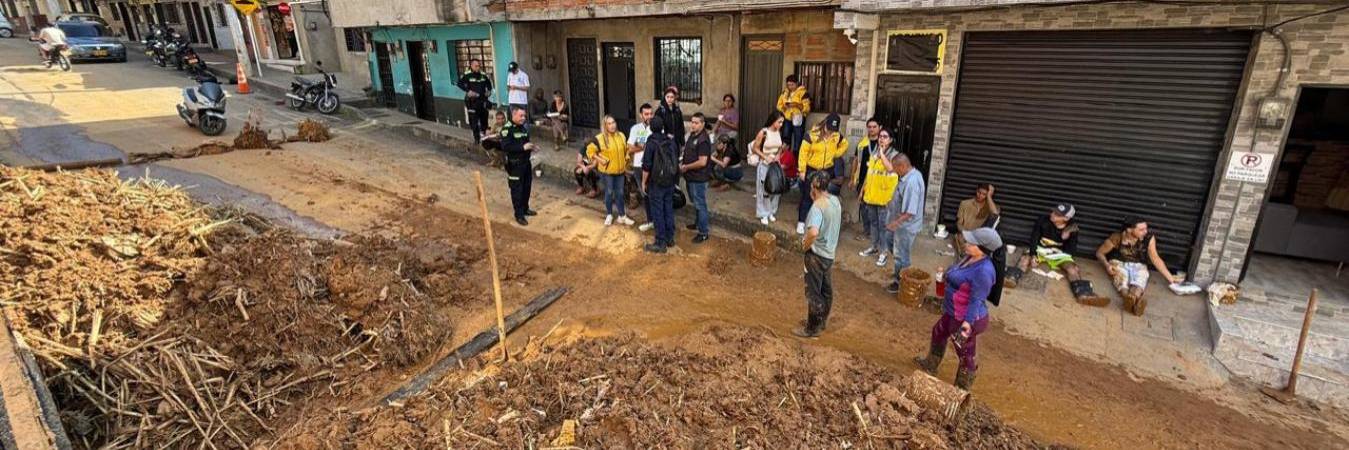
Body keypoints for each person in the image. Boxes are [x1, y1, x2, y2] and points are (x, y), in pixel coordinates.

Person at [915, 227, 1002, 390]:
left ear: (982, 249)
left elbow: (976, 300)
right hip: (953, 311)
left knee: (965, 351)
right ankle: (931, 364)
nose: (966, 243)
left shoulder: (984, 271)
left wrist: (967, 325)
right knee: (938, 332)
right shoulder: (969, 258)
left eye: (971, 243)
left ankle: (962, 387)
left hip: (966, 318)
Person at [1004, 204, 1108, 305]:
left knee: (1072, 269)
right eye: (1054, 211)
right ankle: (1010, 278)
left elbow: (1071, 252)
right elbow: (1034, 238)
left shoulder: (1072, 228)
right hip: (1041, 250)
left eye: (1057, 214)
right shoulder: (1042, 220)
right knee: (1024, 258)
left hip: (1059, 254)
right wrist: (1033, 254)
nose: (1052, 214)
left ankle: (1084, 294)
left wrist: (1066, 237)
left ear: (1066, 218)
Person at [1095, 218, 1179, 315]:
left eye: (1146, 228)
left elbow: (1155, 258)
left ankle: (1134, 299)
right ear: (1129, 229)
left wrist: (1171, 279)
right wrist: (1107, 265)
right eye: (1141, 230)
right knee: (1121, 279)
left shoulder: (1148, 238)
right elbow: (1099, 253)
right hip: (1118, 262)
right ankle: (1129, 300)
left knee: (1141, 278)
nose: (1145, 232)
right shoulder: (1117, 237)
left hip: (1139, 264)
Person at [795, 171, 842, 338]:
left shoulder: (817, 207)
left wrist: (805, 245)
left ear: (814, 187)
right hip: (829, 254)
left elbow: (813, 232)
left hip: (816, 255)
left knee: (814, 292)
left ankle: (811, 328)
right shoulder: (835, 201)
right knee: (826, 290)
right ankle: (821, 322)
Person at [795, 113, 849, 234]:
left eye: (833, 130)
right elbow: (803, 153)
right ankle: (801, 222)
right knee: (808, 196)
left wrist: (835, 154)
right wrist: (802, 170)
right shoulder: (811, 135)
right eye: (829, 128)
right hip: (812, 169)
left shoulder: (837, 136)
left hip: (827, 170)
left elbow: (845, 144)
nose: (830, 132)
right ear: (825, 124)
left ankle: (817, 223)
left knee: (822, 197)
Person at [858, 128, 900, 268]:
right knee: (873, 224)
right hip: (871, 196)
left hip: (884, 199)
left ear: (891, 140)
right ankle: (874, 246)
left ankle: (883, 252)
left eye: (885, 137)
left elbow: (890, 169)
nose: (881, 139)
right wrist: (863, 191)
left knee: (883, 227)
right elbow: (870, 173)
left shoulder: (894, 155)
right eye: (880, 136)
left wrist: (882, 154)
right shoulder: (874, 152)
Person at [885, 154, 926, 293]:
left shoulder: (911, 182)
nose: (894, 171)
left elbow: (910, 212)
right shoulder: (910, 175)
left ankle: (901, 282)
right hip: (901, 224)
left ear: (902, 166)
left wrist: (895, 223)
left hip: (905, 226)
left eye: (896, 168)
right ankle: (900, 273)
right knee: (895, 247)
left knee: (901, 255)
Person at [641, 115, 680, 253]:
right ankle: (670, 238)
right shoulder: (671, 141)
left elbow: (646, 166)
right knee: (668, 209)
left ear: (651, 128)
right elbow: (676, 161)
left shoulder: (651, 143)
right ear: (662, 127)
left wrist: (643, 182)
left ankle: (660, 242)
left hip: (656, 183)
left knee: (657, 212)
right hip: (669, 181)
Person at [587, 115, 635, 227]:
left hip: (620, 171)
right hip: (607, 172)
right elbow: (590, 151)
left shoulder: (621, 135)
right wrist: (600, 160)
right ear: (605, 125)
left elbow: (626, 150)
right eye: (609, 123)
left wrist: (627, 161)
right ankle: (609, 214)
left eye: (613, 122)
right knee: (609, 192)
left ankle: (622, 216)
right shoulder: (599, 138)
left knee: (620, 193)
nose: (612, 125)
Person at [501, 107, 538, 226]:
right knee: (517, 190)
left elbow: (525, 142)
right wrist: (522, 148)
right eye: (521, 116)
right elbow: (506, 147)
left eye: (524, 116)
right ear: (514, 115)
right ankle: (519, 214)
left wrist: (532, 147)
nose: (523, 118)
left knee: (527, 187)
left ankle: (525, 208)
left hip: (525, 163)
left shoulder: (522, 128)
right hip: (514, 164)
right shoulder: (507, 129)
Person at [681, 113, 713, 243]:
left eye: (696, 123)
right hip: (690, 177)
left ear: (703, 124)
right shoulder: (692, 135)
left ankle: (703, 232)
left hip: (699, 178)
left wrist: (687, 167)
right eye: (692, 122)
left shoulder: (703, 140)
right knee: (696, 203)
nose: (693, 125)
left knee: (700, 204)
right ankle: (698, 223)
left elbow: (702, 162)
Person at [850, 118, 882, 241]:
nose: (872, 129)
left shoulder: (883, 144)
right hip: (862, 180)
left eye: (874, 126)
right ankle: (867, 231)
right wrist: (852, 177)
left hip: (877, 182)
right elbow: (855, 160)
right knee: (864, 208)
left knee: (877, 209)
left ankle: (876, 234)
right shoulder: (862, 143)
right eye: (869, 127)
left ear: (879, 127)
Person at [752, 112, 787, 225]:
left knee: (776, 188)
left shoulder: (778, 132)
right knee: (764, 190)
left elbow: (780, 147)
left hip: (775, 164)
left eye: (782, 122)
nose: (781, 124)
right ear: (773, 120)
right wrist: (765, 157)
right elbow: (755, 148)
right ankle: (763, 213)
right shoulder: (764, 132)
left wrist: (778, 155)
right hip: (764, 164)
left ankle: (772, 211)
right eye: (779, 122)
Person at [628, 104, 655, 230]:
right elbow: (630, 149)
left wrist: (639, 145)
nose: (649, 116)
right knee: (645, 193)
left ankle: (656, 220)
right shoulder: (635, 128)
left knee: (654, 193)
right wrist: (644, 147)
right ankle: (650, 220)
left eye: (651, 113)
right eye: (646, 114)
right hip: (639, 166)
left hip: (653, 166)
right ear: (641, 115)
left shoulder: (656, 127)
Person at [954, 184, 1000, 255]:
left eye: (984, 194)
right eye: (979, 192)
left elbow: (995, 214)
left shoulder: (991, 207)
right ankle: (965, 256)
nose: (980, 195)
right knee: (961, 240)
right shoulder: (965, 203)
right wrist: (964, 233)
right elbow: (959, 223)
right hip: (966, 235)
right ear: (976, 191)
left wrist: (989, 196)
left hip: (979, 238)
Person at [456, 58, 493, 143]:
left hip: (483, 100)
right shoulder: (467, 74)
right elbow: (459, 83)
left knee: (484, 119)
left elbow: (489, 84)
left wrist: (489, 91)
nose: (478, 67)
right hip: (472, 102)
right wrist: (468, 91)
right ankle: (476, 139)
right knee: (474, 121)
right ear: (471, 66)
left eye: (479, 66)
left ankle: (484, 137)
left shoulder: (483, 75)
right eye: (476, 66)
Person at [775, 74, 811, 154]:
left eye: (792, 84)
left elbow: (807, 108)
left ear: (797, 83)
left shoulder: (803, 92)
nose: (790, 87)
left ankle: (795, 160)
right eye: (788, 85)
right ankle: (785, 158)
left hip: (798, 119)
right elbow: (779, 105)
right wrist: (784, 109)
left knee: (798, 140)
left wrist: (796, 105)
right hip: (787, 118)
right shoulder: (785, 92)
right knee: (786, 139)